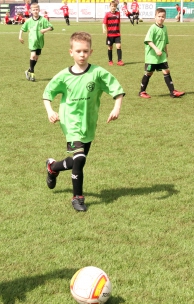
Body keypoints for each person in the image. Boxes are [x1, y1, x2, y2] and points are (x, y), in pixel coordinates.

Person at [43, 31, 124, 212]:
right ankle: (77, 198)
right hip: (70, 123)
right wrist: (50, 111)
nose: (82, 55)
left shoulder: (97, 73)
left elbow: (116, 89)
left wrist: (116, 107)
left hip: (89, 123)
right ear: (70, 52)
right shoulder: (64, 76)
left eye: (85, 51)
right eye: (78, 51)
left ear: (91, 52)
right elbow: (47, 94)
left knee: (78, 160)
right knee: (79, 159)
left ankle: (52, 167)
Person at [138, 8, 185, 99]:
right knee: (149, 73)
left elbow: (165, 41)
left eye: (163, 17)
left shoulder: (165, 28)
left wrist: (166, 51)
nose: (161, 18)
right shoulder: (153, 28)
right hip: (152, 56)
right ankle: (142, 91)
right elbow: (148, 41)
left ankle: (172, 91)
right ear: (155, 17)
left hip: (161, 55)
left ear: (165, 17)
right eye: (159, 16)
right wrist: (156, 49)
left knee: (166, 71)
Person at [19, 3, 53, 82]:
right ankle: (32, 73)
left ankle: (28, 71)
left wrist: (45, 30)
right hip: (32, 42)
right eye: (33, 10)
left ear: (39, 10)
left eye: (37, 10)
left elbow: (51, 27)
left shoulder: (43, 20)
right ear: (31, 11)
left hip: (40, 42)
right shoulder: (29, 21)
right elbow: (22, 28)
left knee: (36, 58)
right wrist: (20, 37)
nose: (35, 11)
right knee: (33, 55)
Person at [102, 1, 124, 66]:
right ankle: (110, 61)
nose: (113, 7)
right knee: (110, 47)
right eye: (112, 6)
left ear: (116, 7)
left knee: (119, 46)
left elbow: (119, 23)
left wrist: (119, 30)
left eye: (114, 6)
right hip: (110, 35)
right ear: (110, 7)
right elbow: (104, 23)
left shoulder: (118, 14)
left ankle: (119, 61)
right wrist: (104, 29)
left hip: (117, 34)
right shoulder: (107, 14)